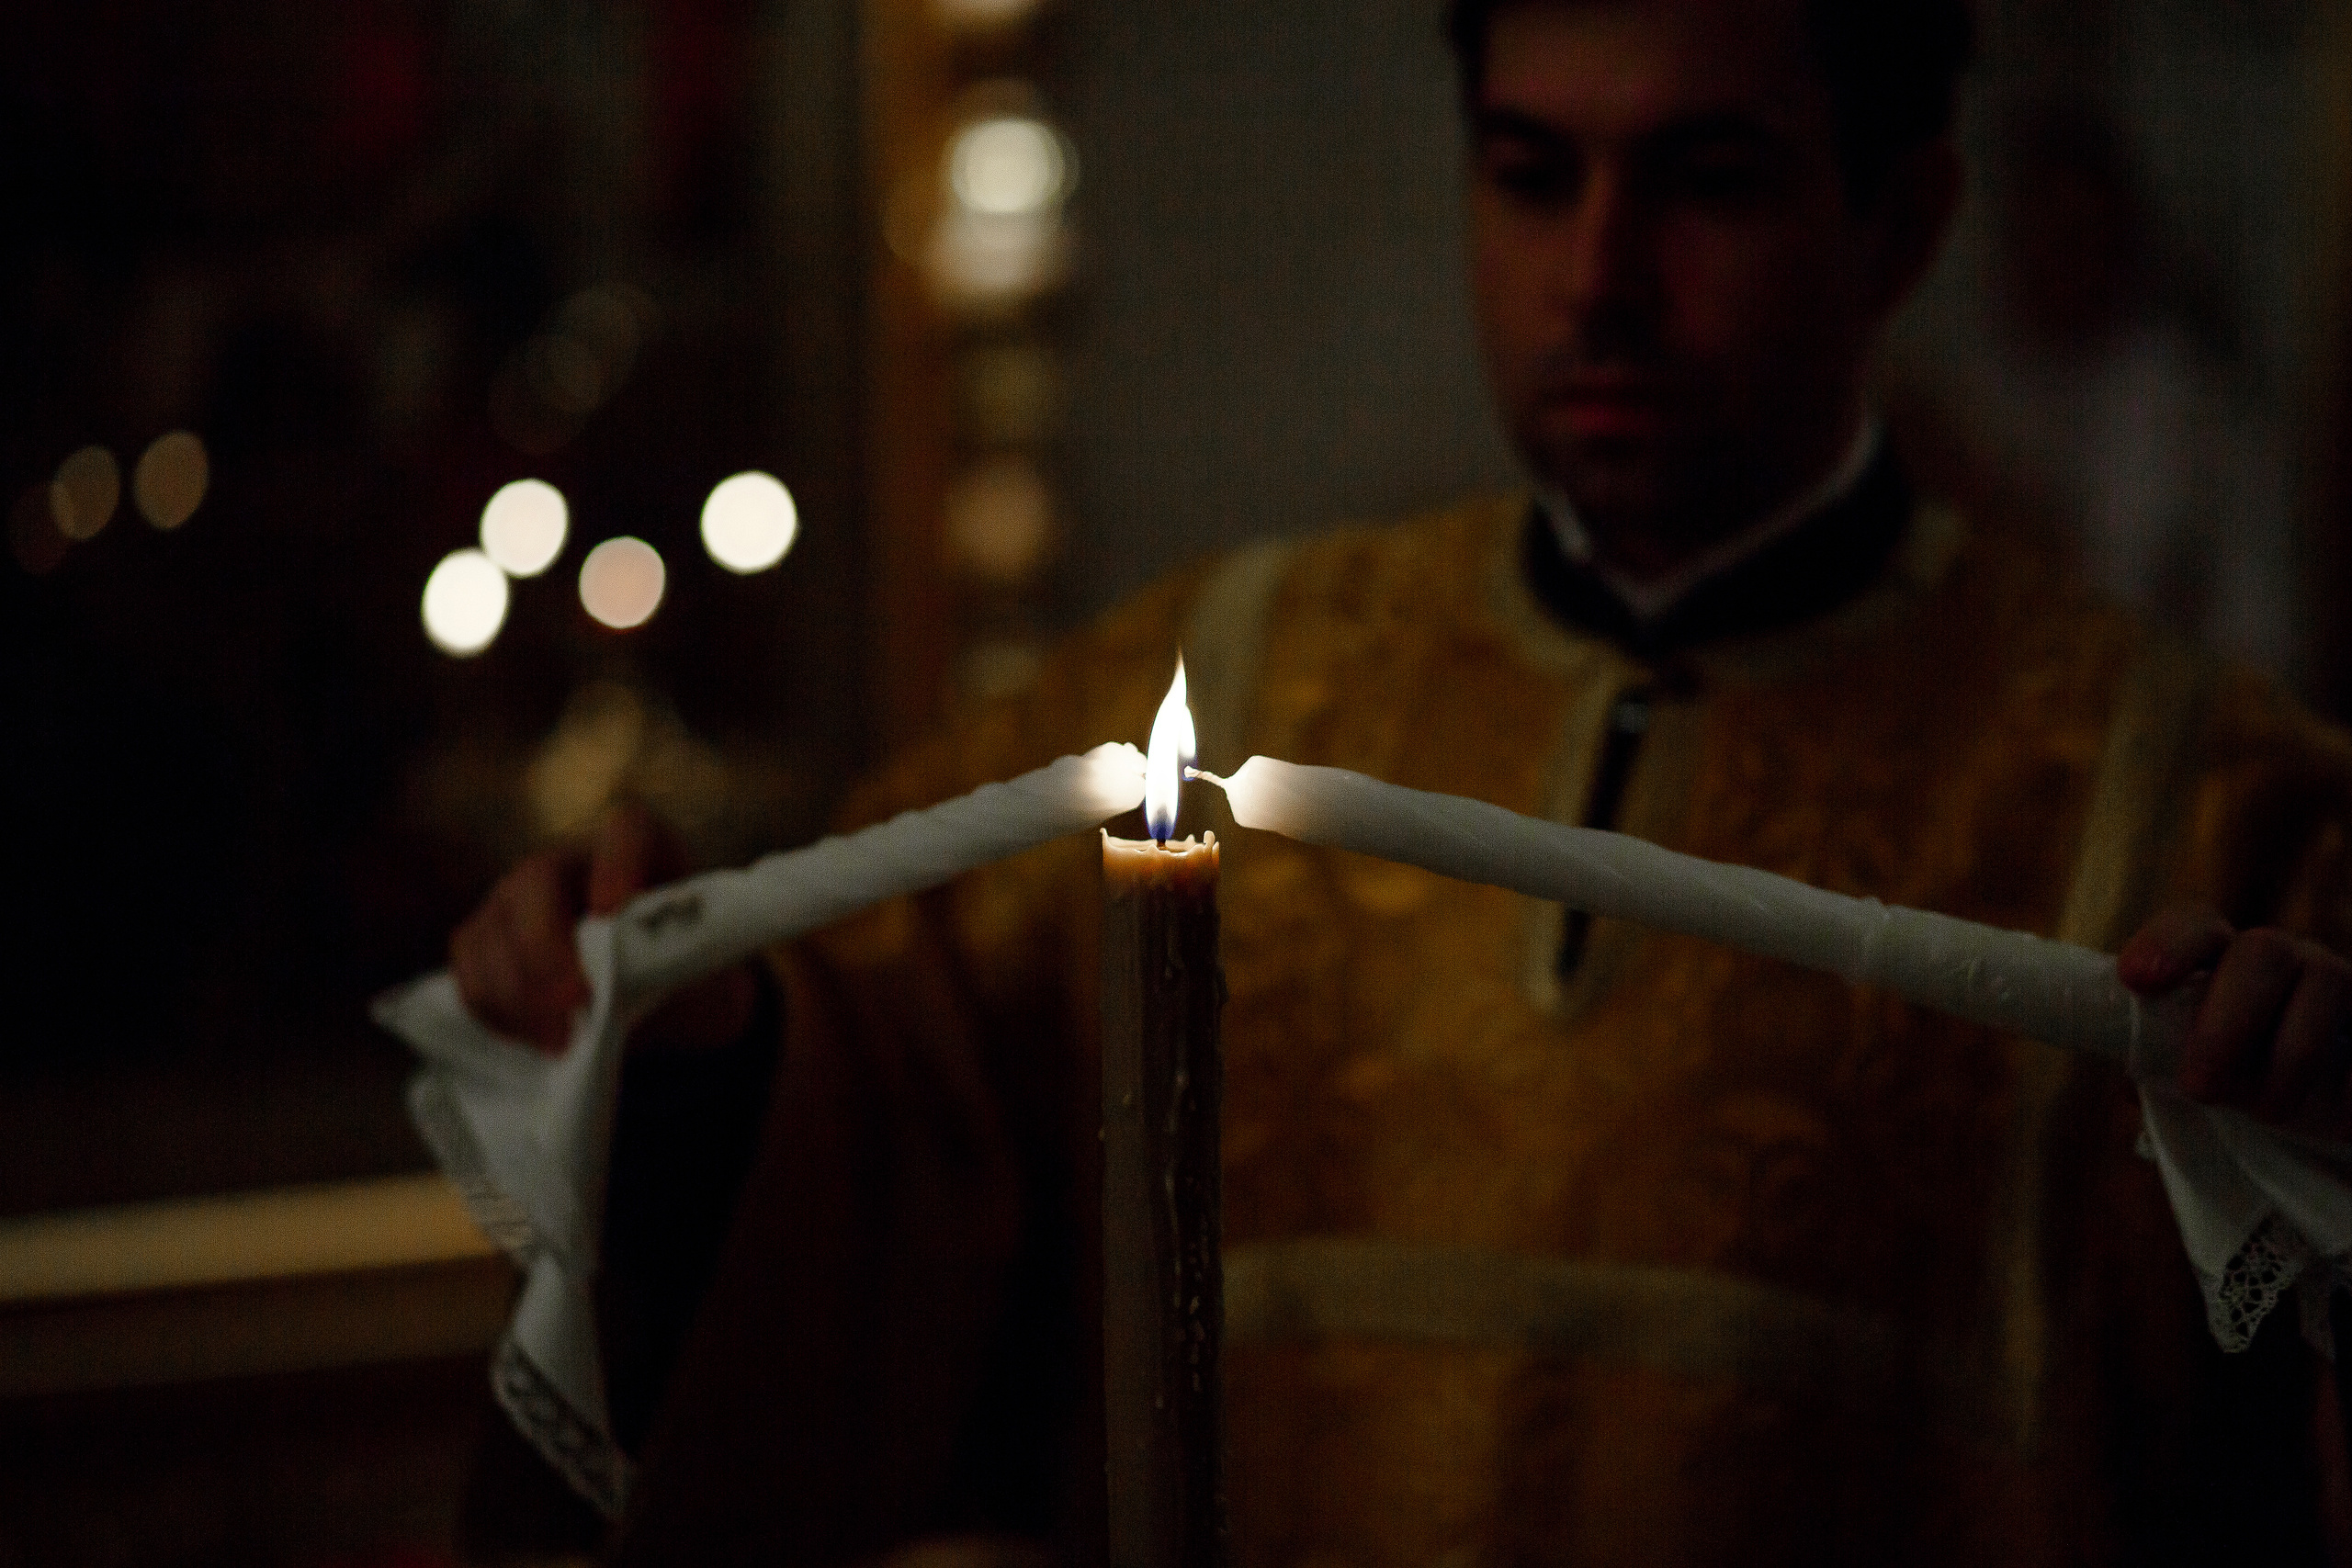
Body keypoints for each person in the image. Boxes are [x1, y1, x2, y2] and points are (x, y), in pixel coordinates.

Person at [447, 0, 2352, 1562]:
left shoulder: (2205, 808)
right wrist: (690, 1039)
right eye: (1529, 176)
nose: (1593, 278)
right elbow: (876, 1099)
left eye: (1705, 182)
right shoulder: (1228, 671)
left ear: (1901, 222)